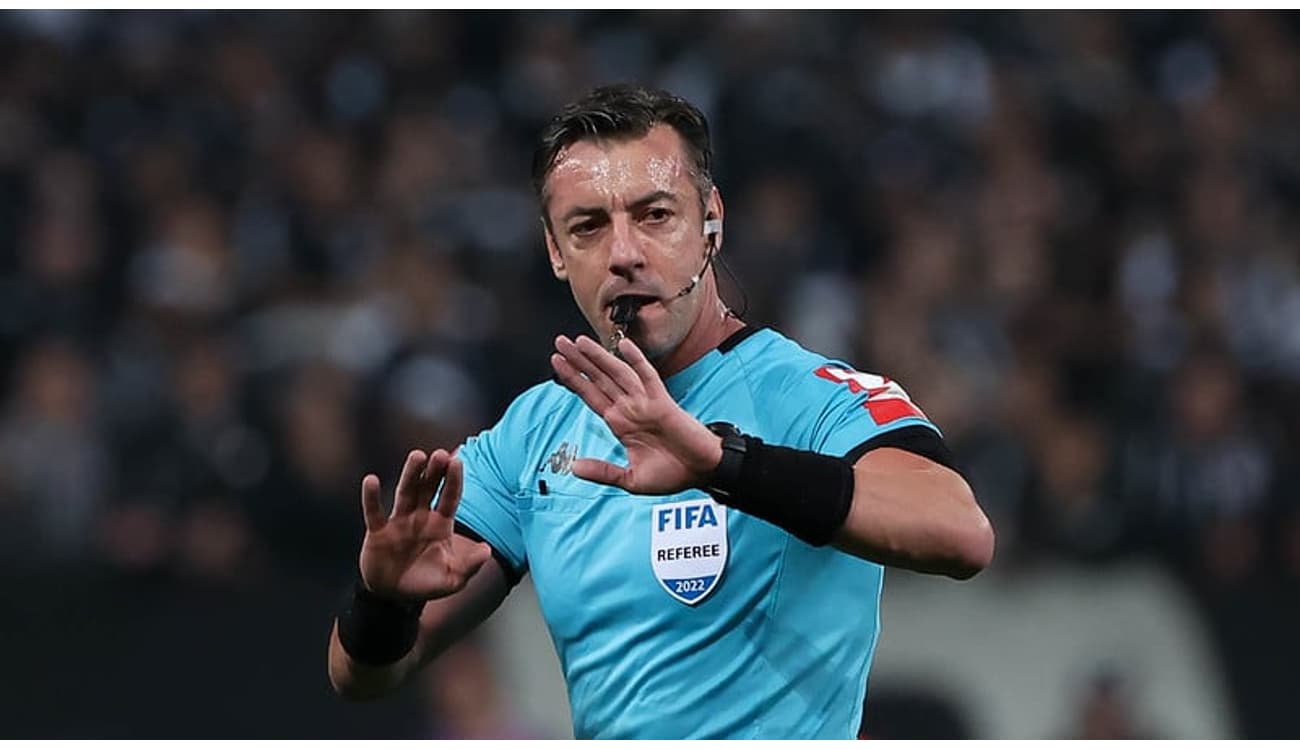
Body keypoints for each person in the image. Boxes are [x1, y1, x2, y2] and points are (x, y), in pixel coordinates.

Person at [326, 83, 995, 740]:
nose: (623, 254)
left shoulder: (810, 393)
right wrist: (384, 600)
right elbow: (364, 674)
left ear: (711, 224)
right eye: (588, 227)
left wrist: (719, 461)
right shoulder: (531, 434)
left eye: (655, 215)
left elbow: (962, 534)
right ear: (556, 252)